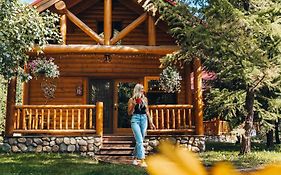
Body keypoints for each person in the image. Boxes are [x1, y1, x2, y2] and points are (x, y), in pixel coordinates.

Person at [128, 83, 156, 167]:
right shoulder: (131, 99)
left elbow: (147, 111)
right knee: (140, 140)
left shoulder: (145, 99)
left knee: (140, 139)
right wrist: (133, 105)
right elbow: (129, 113)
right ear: (137, 90)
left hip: (144, 119)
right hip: (135, 119)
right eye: (142, 89)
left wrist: (151, 122)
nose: (143, 90)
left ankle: (135, 158)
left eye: (143, 89)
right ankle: (142, 160)